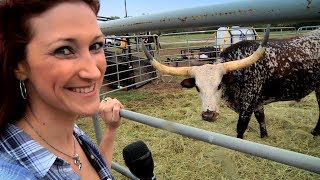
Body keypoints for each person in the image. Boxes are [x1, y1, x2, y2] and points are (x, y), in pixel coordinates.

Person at [0, 0, 124, 179]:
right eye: (64, 50)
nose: (93, 72)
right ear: (19, 66)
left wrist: (110, 131)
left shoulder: (68, 130)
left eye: (95, 46)